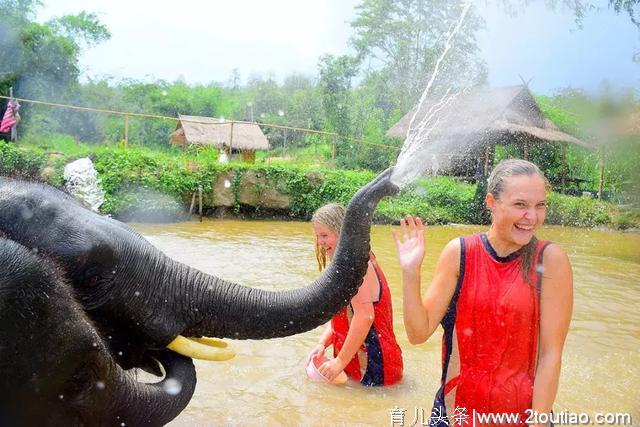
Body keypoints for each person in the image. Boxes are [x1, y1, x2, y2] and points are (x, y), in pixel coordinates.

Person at [392, 159, 573, 424]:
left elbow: (550, 354)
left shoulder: (551, 260)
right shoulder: (460, 253)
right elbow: (418, 333)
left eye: (540, 205)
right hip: (455, 413)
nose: (532, 217)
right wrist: (411, 272)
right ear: (491, 202)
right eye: (520, 205)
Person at [306, 203, 403, 386]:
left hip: (376, 365)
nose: (320, 242)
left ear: (341, 232)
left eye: (325, 235)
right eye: (318, 236)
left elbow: (365, 316)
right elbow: (340, 316)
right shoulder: (344, 265)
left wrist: (340, 361)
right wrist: (322, 344)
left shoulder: (358, 265)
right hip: (354, 361)